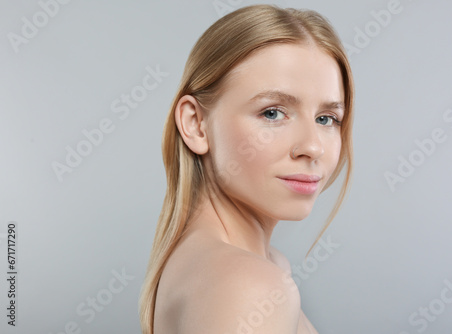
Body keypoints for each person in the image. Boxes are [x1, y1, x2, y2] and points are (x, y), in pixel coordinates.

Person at [139, 4, 354, 333]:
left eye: (326, 118)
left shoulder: (250, 265)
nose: (313, 146)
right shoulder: (248, 284)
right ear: (196, 124)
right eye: (272, 113)